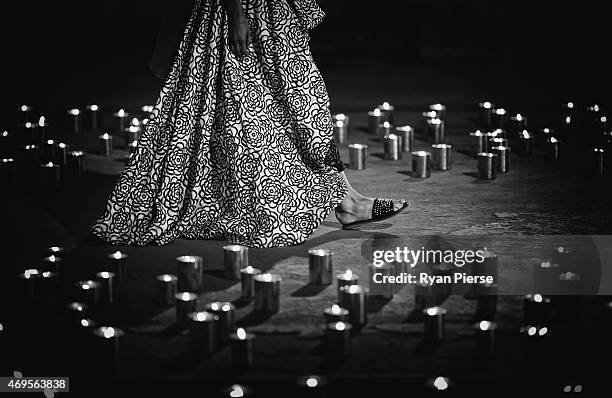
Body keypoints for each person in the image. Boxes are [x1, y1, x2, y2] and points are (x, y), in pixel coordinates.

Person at [92, 0, 408, 248]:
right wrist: (236, 12)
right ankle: (345, 201)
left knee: (302, 105)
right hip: (241, 11)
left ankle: (346, 199)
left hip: (271, 12)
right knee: (253, 112)